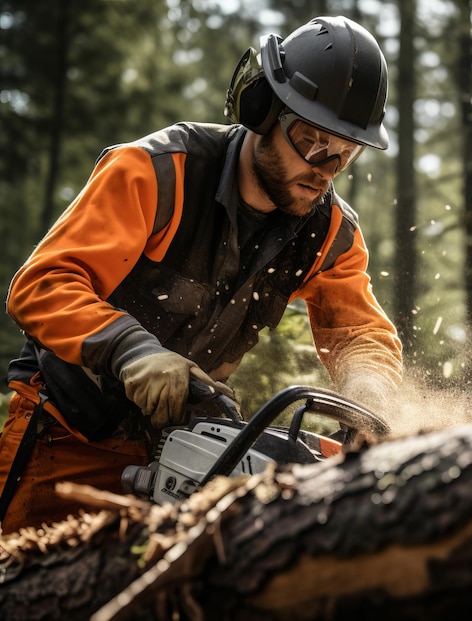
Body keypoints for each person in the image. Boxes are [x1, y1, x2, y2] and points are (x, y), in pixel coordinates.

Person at [0, 15, 403, 533]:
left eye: (344, 155)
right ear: (260, 109)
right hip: (67, 434)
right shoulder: (158, 172)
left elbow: (360, 332)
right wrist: (131, 350)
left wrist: (367, 392)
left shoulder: (328, 232)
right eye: (312, 142)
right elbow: (43, 283)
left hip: (186, 451)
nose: (325, 169)